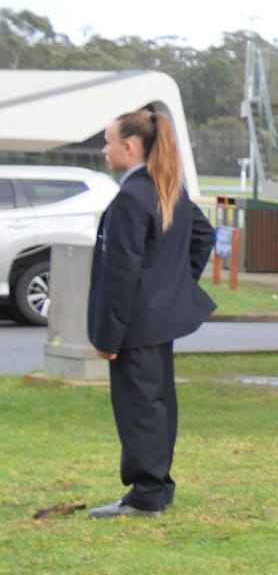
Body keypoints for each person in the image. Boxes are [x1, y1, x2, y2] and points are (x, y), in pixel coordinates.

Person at [88, 103, 215, 517]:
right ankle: (155, 488)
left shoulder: (132, 196)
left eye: (107, 143)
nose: (104, 151)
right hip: (155, 323)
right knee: (156, 405)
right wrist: (170, 289)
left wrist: (107, 337)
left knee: (140, 408)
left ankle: (147, 495)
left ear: (129, 145)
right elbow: (203, 236)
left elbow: (119, 275)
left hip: (135, 327)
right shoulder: (165, 187)